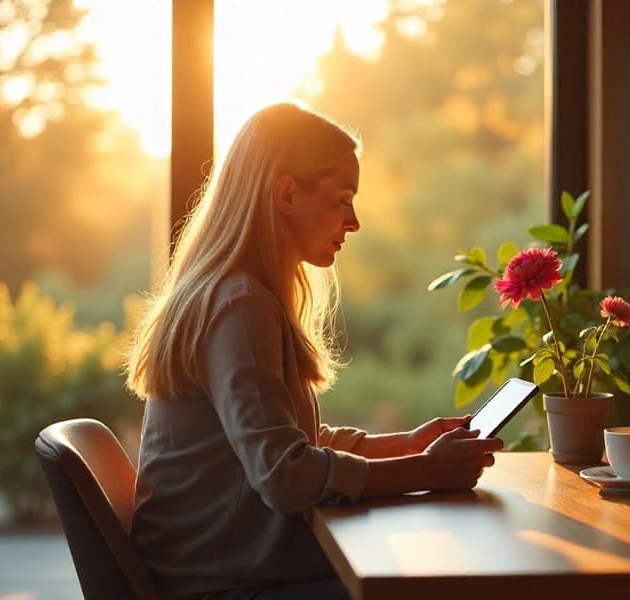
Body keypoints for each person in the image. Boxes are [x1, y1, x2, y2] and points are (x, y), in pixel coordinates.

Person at [124, 102, 503, 600]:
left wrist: (408, 444)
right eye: (342, 199)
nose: (354, 221)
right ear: (285, 194)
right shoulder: (240, 306)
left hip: (224, 573)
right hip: (220, 588)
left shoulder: (236, 295)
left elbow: (292, 443)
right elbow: (285, 475)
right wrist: (429, 470)